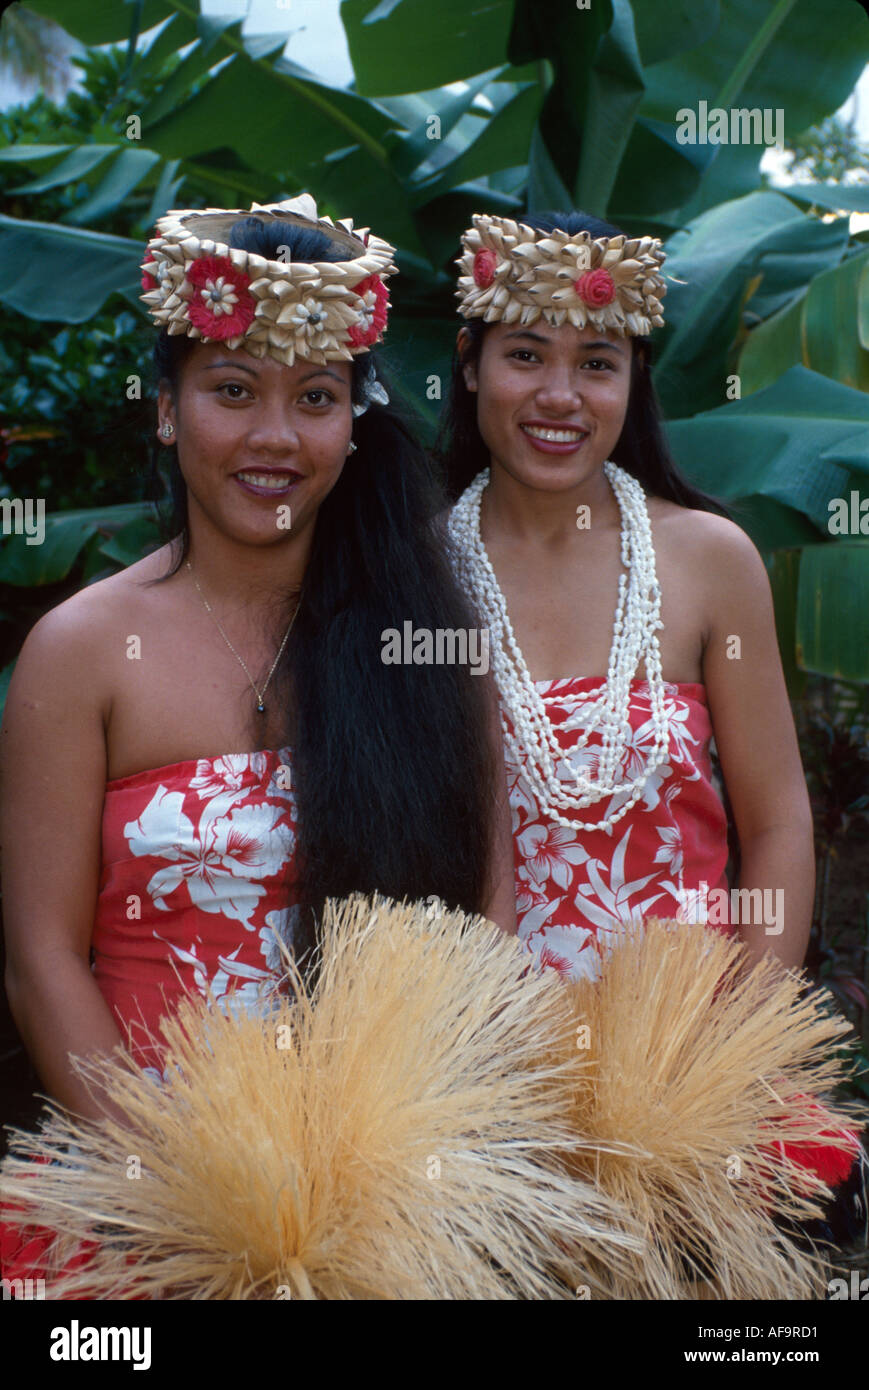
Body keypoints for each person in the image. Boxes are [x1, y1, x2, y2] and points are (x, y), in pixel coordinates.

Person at [0, 193, 515, 1285]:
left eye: (314, 399)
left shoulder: (425, 643)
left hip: (390, 1200)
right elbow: (41, 958)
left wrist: (404, 1183)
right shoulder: (81, 651)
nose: (275, 437)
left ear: (352, 422)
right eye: (232, 391)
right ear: (167, 409)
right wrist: (171, 1199)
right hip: (139, 1191)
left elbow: (484, 921)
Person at [439, 208, 815, 984]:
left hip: (687, 1050)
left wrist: (736, 1046)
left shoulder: (710, 560)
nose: (559, 395)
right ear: (470, 364)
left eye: (596, 363)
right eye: (525, 354)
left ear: (632, 378)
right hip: (475, 1057)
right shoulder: (411, 573)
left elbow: (777, 823)